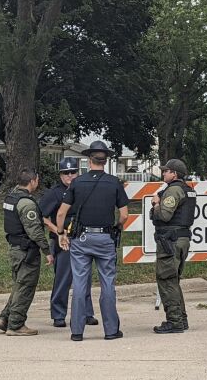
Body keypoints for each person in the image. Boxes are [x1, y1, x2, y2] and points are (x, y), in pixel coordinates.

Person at [55, 141, 128, 341]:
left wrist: (61, 233)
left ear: (89, 160)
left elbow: (61, 213)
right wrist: (117, 227)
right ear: (106, 160)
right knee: (107, 283)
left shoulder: (77, 183)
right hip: (105, 238)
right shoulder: (114, 183)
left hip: (81, 238)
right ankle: (111, 330)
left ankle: (77, 331)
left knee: (79, 283)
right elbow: (124, 215)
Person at [40, 157, 97, 328]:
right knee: (63, 278)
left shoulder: (83, 189)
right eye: (66, 173)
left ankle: (86, 313)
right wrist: (58, 231)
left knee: (85, 278)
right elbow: (41, 216)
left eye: (73, 172)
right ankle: (58, 314)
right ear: (60, 175)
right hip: (63, 240)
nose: (70, 176)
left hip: (82, 238)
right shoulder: (55, 193)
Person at [0, 168, 54, 336]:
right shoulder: (27, 203)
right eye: (37, 180)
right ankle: (16, 325)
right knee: (26, 287)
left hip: (14, 248)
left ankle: (5, 318)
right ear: (33, 181)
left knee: (18, 286)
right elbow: (35, 231)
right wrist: (46, 250)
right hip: (26, 251)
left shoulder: (11, 197)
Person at [150, 159, 196, 334]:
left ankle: (174, 321)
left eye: (166, 171)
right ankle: (181, 319)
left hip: (170, 241)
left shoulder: (174, 190)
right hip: (182, 239)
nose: (163, 174)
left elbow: (164, 216)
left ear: (174, 174)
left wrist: (156, 203)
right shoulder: (188, 190)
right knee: (173, 280)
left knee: (166, 279)